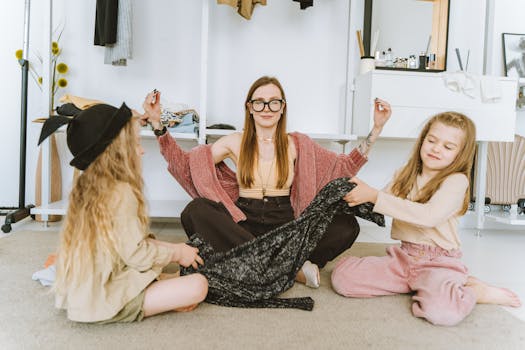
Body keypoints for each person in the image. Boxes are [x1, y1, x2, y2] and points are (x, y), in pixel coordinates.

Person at [141, 76, 391, 288]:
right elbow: (185, 166)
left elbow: (343, 167)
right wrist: (157, 125)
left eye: (273, 102)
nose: (267, 108)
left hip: (286, 223)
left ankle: (256, 264)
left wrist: (376, 129)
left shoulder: (297, 144)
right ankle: (289, 270)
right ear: (249, 107)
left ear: (282, 107)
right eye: (259, 102)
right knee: (195, 212)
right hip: (243, 223)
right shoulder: (234, 142)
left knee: (346, 225)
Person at [331, 111, 522, 326]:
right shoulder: (405, 174)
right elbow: (380, 204)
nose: (436, 149)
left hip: (439, 262)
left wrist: (374, 196)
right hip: (404, 257)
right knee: (343, 280)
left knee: (443, 313)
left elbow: (428, 216)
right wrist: (353, 193)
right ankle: (420, 284)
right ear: (422, 141)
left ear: (460, 154)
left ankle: (473, 290)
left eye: (448, 147)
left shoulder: (456, 181)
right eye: (431, 141)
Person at [39, 103, 208, 323]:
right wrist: (176, 254)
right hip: (102, 302)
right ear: (117, 151)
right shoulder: (122, 192)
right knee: (198, 285)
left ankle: (159, 281)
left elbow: (127, 245)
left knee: (167, 256)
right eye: (136, 143)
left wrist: (177, 249)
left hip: (85, 291)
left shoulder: (88, 185)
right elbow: (136, 254)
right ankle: (155, 292)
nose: (142, 150)